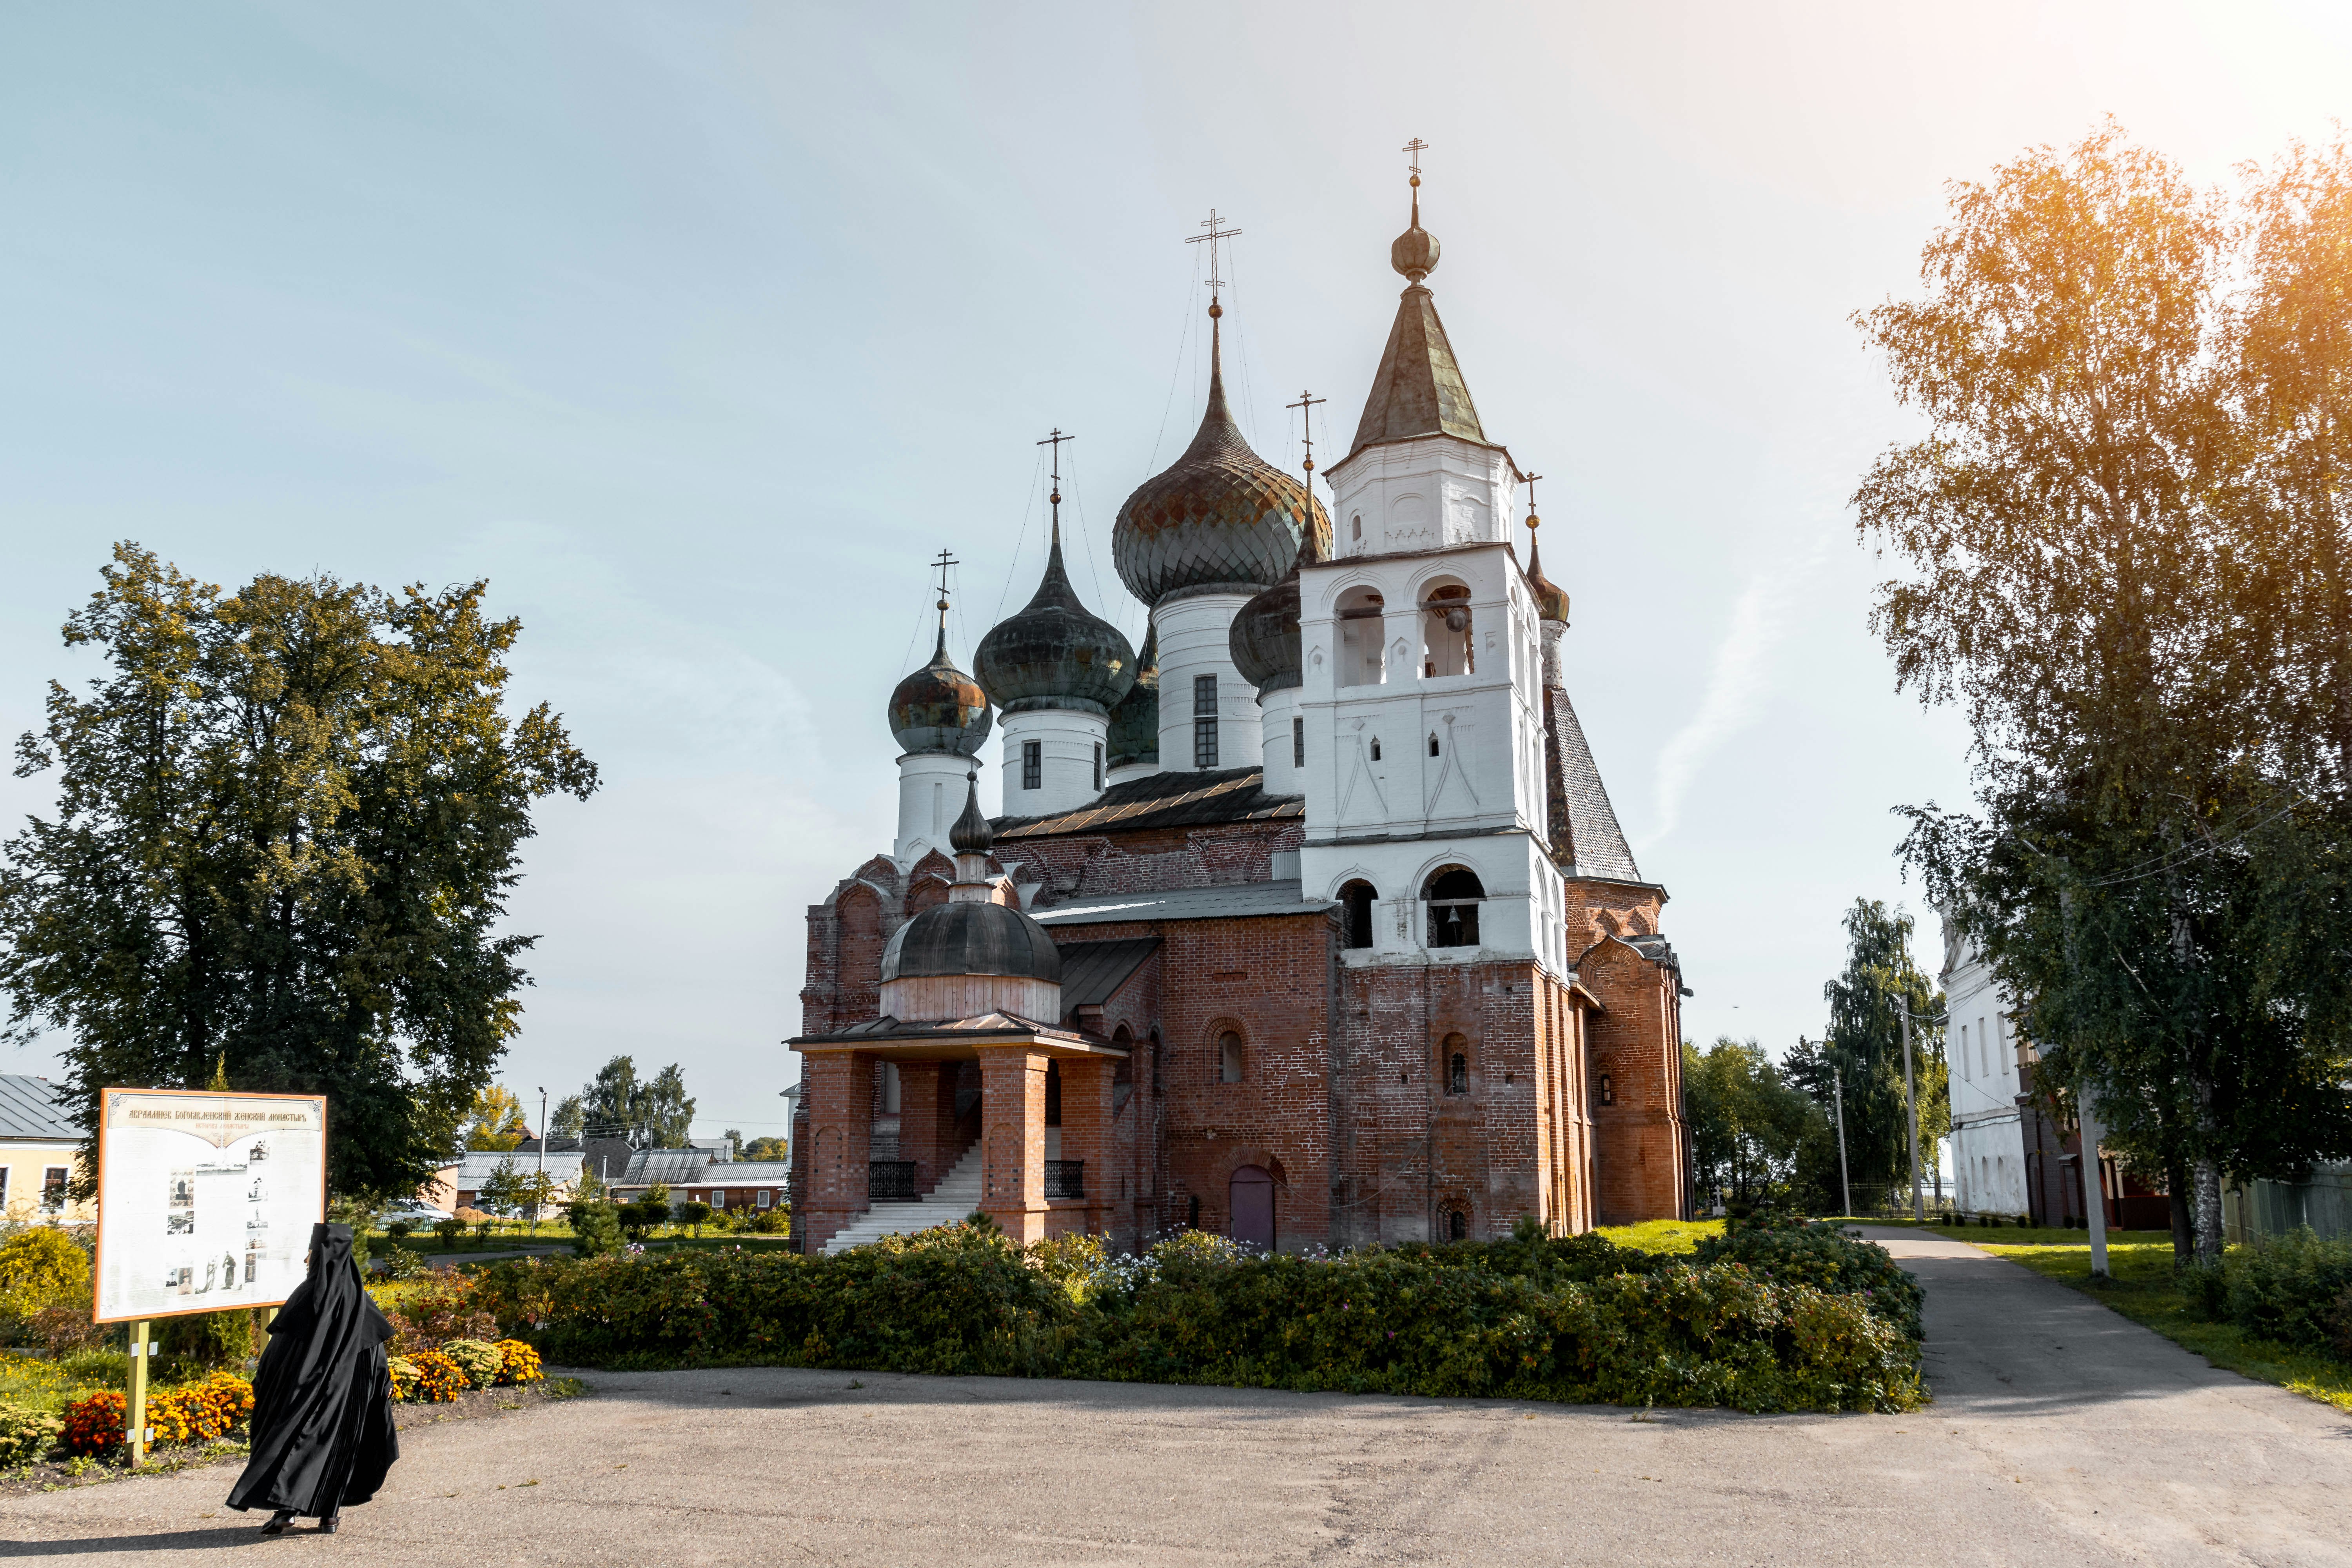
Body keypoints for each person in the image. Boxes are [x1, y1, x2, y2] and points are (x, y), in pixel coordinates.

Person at [227, 1222, 399, 1534]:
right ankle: (329, 1517)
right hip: (349, 1395)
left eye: (311, 1254)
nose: (307, 1262)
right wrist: (381, 1386)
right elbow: (375, 1351)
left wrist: (265, 1381)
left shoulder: (308, 1297)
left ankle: (286, 1511)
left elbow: (281, 1350)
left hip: (303, 1392)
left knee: (294, 1444)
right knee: (340, 1450)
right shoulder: (360, 1301)